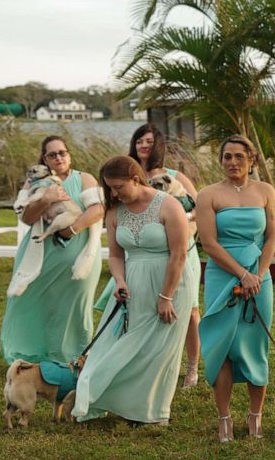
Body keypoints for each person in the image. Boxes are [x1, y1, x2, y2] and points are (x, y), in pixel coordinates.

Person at [72, 156, 198, 424]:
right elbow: (116, 256)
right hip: (134, 280)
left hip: (172, 280)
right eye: (110, 188)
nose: (114, 193)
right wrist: (119, 281)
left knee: (161, 347)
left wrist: (166, 296)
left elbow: (179, 254)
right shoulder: (115, 212)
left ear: (136, 178)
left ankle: (154, 411)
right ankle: (122, 400)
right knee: (132, 343)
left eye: (119, 187)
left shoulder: (169, 205)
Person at [96, 124, 203, 387]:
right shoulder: (118, 178)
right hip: (137, 258)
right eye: (140, 140)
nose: (144, 145)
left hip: (179, 251)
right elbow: (116, 252)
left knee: (188, 312)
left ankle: (190, 367)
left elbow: (198, 207)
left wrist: (182, 221)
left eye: (150, 141)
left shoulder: (172, 176)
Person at [197, 135, 275, 442]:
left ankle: (255, 416)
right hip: (223, 274)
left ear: (252, 160)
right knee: (223, 348)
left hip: (260, 276)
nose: (233, 163)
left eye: (239, 157)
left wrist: (257, 274)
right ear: (221, 161)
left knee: (256, 343)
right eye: (227, 157)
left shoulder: (266, 191)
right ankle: (225, 419)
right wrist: (241, 274)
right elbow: (209, 243)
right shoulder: (208, 194)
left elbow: (272, 237)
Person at [0, 135, 104, 364]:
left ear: (69, 154)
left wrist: (72, 229)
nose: (58, 157)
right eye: (52, 154)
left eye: (62, 152)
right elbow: (26, 218)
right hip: (40, 254)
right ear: (44, 159)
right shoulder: (34, 182)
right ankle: (29, 354)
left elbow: (97, 210)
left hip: (79, 255)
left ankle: (75, 355)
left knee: (75, 307)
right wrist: (46, 199)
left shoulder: (84, 178)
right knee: (31, 301)